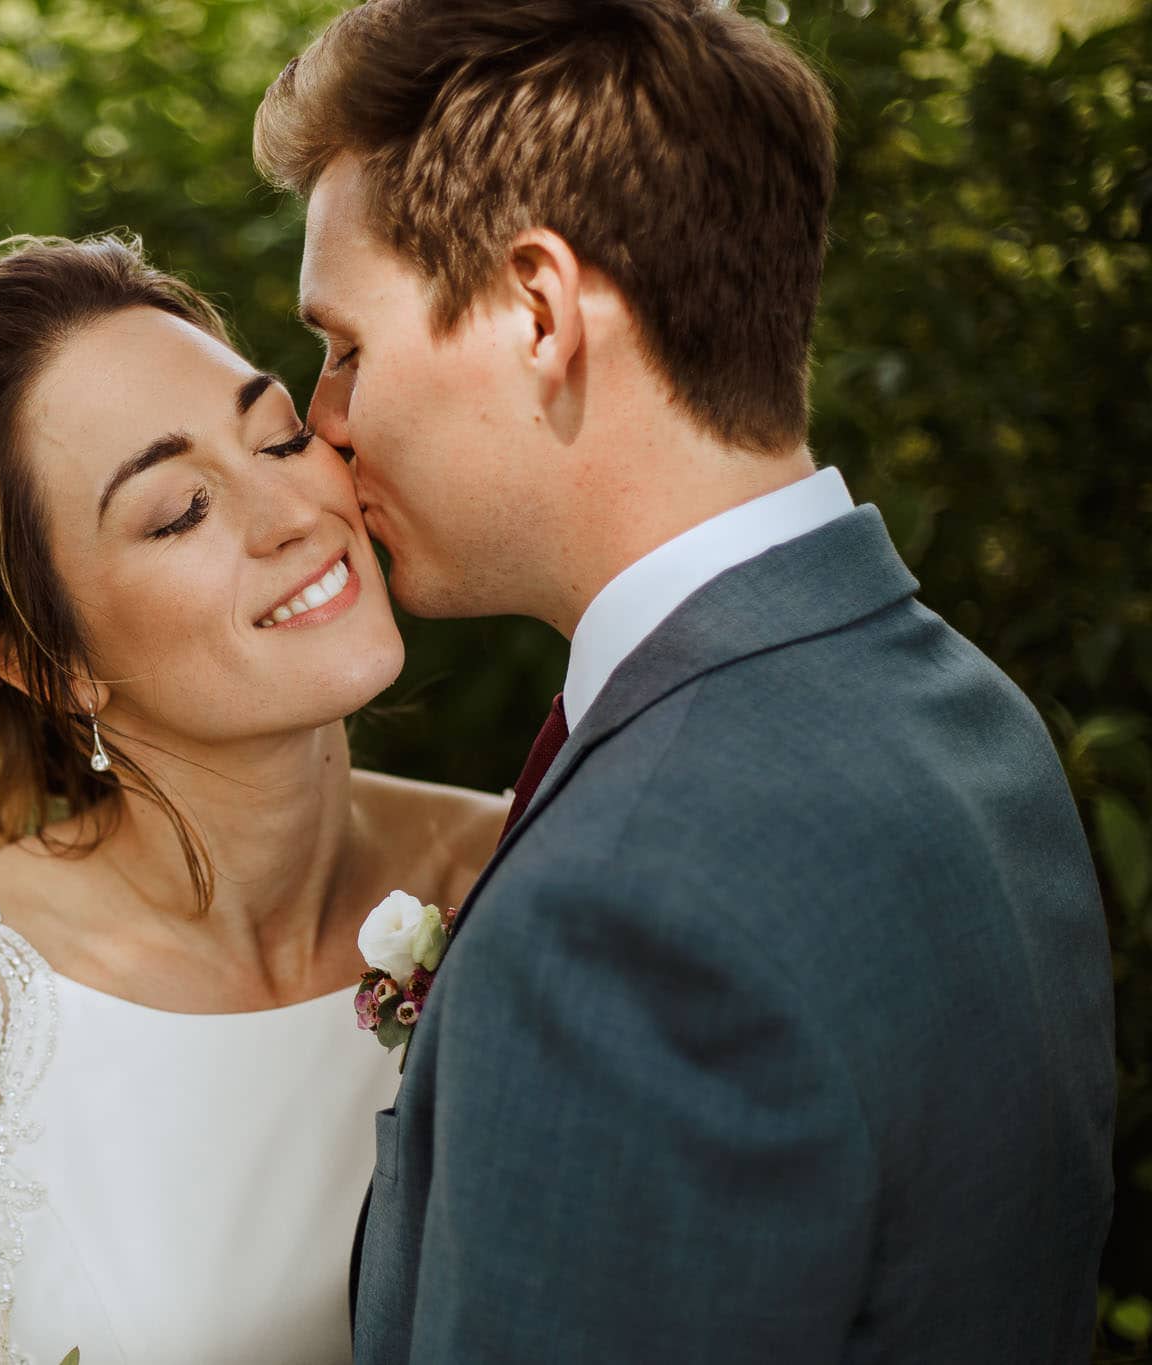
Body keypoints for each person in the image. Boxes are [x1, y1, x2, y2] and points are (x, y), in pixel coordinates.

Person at [254, 0, 1118, 1360]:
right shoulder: (967, 714)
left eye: (349, 345)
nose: (326, 418)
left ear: (537, 311)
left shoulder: (624, 909)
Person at [0, 235, 511, 1365]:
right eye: (179, 509)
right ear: (45, 661)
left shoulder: (522, 879)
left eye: (278, 436)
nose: (288, 513)